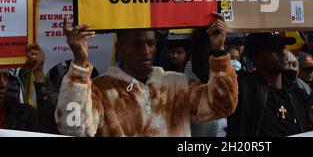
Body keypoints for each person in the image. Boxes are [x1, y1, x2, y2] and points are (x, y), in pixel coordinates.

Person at [55, 13, 238, 137]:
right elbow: (73, 129)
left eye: (151, 43)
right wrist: (79, 64)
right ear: (119, 49)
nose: (146, 51)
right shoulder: (99, 89)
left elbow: (221, 106)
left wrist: (219, 51)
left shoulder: (177, 83)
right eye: (137, 44)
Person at [227, 32, 313, 137]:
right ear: (257, 58)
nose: (283, 52)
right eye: (274, 49)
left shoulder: (298, 94)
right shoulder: (244, 89)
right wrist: (218, 50)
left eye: (283, 47)